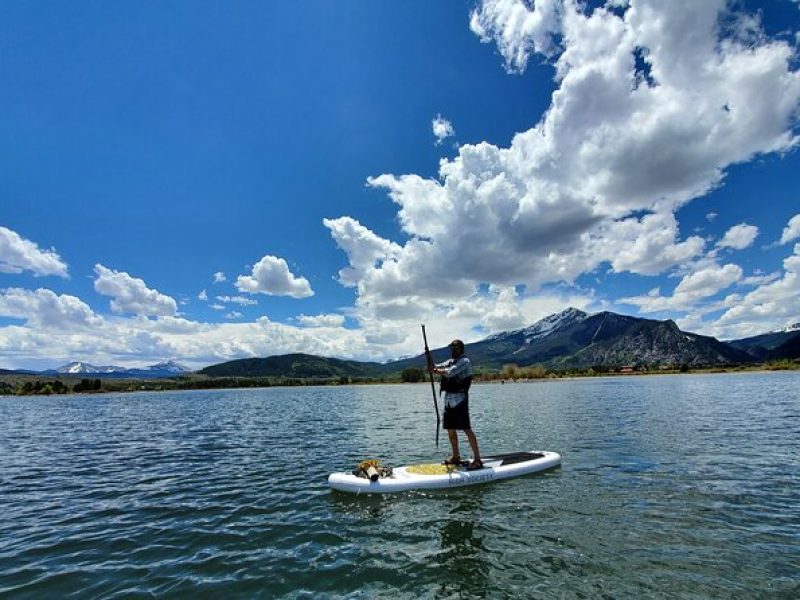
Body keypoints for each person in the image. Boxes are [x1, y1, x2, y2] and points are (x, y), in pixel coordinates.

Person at [428, 339, 483, 470]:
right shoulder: (450, 361)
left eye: (455, 348)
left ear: (460, 349)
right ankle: (456, 456)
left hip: (460, 400)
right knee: (450, 429)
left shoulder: (465, 362)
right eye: (452, 349)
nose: (453, 350)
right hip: (448, 400)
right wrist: (429, 359)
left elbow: (450, 372)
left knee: (466, 428)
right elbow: (438, 366)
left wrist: (434, 370)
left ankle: (477, 460)